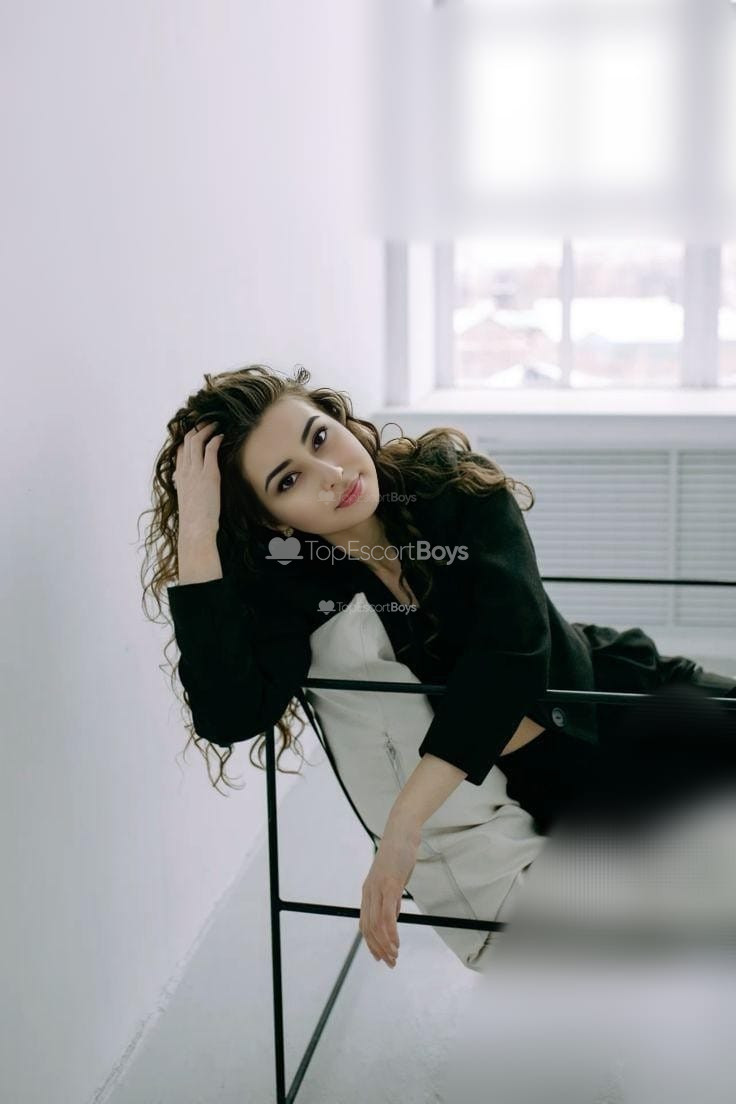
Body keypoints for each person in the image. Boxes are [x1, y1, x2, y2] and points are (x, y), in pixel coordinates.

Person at [140, 363, 736, 973]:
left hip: (626, 694)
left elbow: (511, 655)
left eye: (320, 438)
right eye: (289, 479)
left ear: (340, 420)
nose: (332, 474)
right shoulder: (297, 590)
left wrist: (404, 825)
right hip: (569, 785)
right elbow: (230, 715)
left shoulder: (450, 486)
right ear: (273, 518)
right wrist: (199, 531)